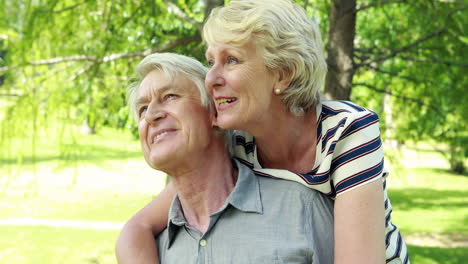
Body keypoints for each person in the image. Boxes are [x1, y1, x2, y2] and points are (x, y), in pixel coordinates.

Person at [116, 0, 409, 263]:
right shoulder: (237, 140)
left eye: (231, 60)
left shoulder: (346, 131)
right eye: (210, 62)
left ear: (282, 72)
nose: (211, 79)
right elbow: (137, 227)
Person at [118, 52, 335, 263]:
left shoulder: (301, 210)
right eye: (142, 108)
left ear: (214, 112)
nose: (151, 115)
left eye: (170, 97)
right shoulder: (152, 250)